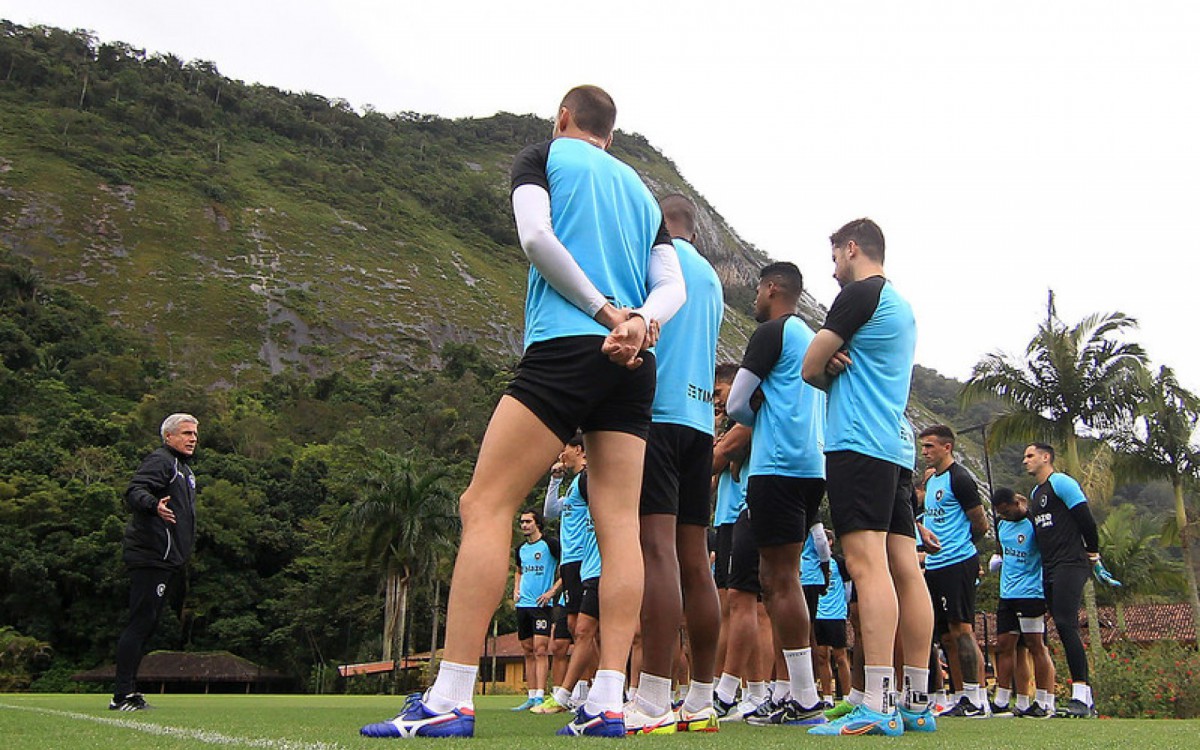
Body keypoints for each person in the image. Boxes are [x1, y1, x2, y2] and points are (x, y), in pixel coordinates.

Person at [361, 84, 684, 739]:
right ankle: (608, 702)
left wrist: (606, 314)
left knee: (485, 504)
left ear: (564, 118)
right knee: (620, 527)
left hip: (569, 344)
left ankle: (451, 696)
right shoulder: (643, 192)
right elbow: (671, 285)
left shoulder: (543, 155)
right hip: (634, 360)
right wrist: (640, 323)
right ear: (610, 135)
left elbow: (536, 237)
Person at [802, 218, 934, 736]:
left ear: (852, 248)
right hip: (896, 447)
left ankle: (878, 703)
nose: (833, 267)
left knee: (865, 564)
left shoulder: (859, 294)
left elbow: (810, 367)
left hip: (859, 442)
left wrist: (828, 366)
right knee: (904, 567)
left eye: (835, 256)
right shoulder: (900, 303)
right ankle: (916, 702)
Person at [626, 194, 724, 735]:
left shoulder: (655, 261)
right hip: (699, 424)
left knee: (656, 552)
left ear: (658, 225)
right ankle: (702, 699)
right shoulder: (710, 277)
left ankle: (652, 698)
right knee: (694, 560)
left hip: (658, 417)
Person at [726, 261, 830, 727]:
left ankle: (804, 697)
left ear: (772, 289)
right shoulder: (812, 336)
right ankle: (789, 691)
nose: (753, 299)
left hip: (776, 465)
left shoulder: (772, 333)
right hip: (811, 466)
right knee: (778, 578)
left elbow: (735, 404)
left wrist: (758, 415)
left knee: (780, 579)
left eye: (756, 290)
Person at [110, 413, 199, 711]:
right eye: (186, 433)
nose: (192, 438)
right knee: (140, 624)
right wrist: (153, 505)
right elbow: (135, 491)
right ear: (168, 436)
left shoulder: (184, 469)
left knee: (147, 626)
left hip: (168, 559)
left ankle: (128, 691)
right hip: (151, 555)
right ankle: (122, 695)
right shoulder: (162, 461)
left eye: (194, 434)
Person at [1023, 443, 1110, 719]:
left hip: (1071, 563)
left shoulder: (1061, 483)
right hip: (1049, 567)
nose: (1025, 460)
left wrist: (1093, 554)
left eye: (1030, 456)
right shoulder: (1035, 494)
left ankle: (1082, 696)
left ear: (1045, 457)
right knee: (1060, 626)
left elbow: (1086, 520)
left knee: (1065, 622)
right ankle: (1078, 699)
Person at [917, 425, 989, 718]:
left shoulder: (960, 478)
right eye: (923, 446)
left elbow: (980, 523)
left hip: (957, 562)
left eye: (930, 446)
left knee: (962, 630)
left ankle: (976, 698)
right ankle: (959, 696)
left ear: (947, 447)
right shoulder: (932, 480)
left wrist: (960, 547)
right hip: (934, 566)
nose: (924, 452)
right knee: (945, 636)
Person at [989, 488, 1057, 719]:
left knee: (1035, 645)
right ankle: (1004, 700)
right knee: (1006, 645)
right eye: (1000, 513)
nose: (1005, 516)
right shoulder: (1001, 524)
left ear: (1016, 503)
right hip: (1007, 594)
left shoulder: (1033, 523)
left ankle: (1044, 701)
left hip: (1031, 593)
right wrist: (997, 559)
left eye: (1007, 511)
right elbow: (1002, 550)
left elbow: (1047, 554)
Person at [511, 509, 561, 711]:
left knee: (541, 649)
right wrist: (516, 589)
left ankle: (541, 695)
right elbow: (519, 571)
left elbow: (567, 567)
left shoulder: (550, 544)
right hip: (523, 605)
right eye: (522, 522)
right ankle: (531, 696)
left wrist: (552, 591)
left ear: (537, 523)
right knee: (527, 649)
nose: (524, 525)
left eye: (528, 522)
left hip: (542, 606)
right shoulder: (520, 549)